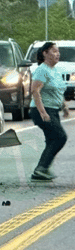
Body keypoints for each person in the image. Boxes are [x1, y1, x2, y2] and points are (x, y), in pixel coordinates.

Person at [30, 41, 69, 180]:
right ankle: (42, 168)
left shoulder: (55, 70)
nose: (57, 54)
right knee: (60, 137)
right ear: (45, 53)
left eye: (58, 51)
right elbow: (35, 90)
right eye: (53, 51)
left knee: (52, 139)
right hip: (41, 109)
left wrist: (64, 107)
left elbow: (58, 90)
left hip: (53, 109)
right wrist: (42, 112)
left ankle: (41, 169)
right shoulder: (42, 69)